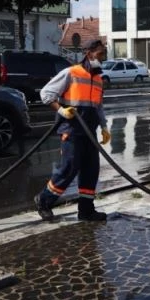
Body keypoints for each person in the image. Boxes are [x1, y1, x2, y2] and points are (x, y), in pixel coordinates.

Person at [34, 39, 111, 221]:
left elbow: (98, 106)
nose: (102, 58)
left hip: (89, 131)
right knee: (69, 168)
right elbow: (46, 93)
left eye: (103, 54)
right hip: (72, 129)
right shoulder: (71, 73)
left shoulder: (99, 79)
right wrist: (61, 109)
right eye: (100, 54)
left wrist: (104, 126)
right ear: (89, 53)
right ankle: (44, 200)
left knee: (91, 170)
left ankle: (86, 210)